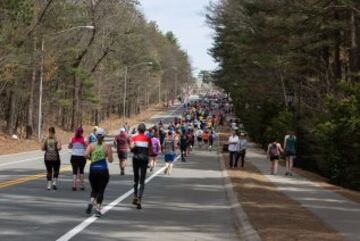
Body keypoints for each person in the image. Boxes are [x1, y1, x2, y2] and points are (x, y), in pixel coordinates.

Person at [85, 128, 113, 217]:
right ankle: (97, 209)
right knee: (101, 190)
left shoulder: (91, 145)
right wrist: (108, 154)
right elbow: (110, 160)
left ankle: (91, 202)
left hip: (93, 170)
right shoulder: (107, 146)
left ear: (96, 136)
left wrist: (91, 158)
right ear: (103, 136)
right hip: (103, 170)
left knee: (94, 189)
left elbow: (85, 155)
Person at [130, 123, 152, 209]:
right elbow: (149, 150)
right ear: (145, 130)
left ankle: (135, 196)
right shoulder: (148, 139)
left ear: (138, 130)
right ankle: (139, 199)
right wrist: (149, 161)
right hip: (144, 159)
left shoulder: (134, 138)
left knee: (136, 178)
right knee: (142, 180)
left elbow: (131, 148)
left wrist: (134, 146)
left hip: (136, 159)